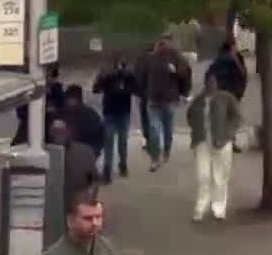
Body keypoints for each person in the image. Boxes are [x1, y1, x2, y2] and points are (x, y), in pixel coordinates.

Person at [186, 71, 243, 221]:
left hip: (222, 142)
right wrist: (196, 130)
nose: (210, 85)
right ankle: (200, 207)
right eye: (208, 82)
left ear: (217, 83)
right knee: (203, 175)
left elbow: (236, 118)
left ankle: (219, 207)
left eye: (213, 81)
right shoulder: (199, 99)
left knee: (220, 176)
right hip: (202, 142)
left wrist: (227, 134)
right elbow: (190, 115)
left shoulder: (226, 98)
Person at [134, 33, 191, 170]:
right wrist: (141, 93)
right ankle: (155, 159)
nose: (164, 45)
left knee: (168, 129)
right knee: (154, 130)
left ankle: (166, 150)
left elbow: (185, 74)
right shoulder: (151, 58)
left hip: (169, 100)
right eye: (163, 42)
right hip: (153, 100)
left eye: (167, 42)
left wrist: (176, 72)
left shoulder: (176, 56)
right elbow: (142, 77)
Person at [92, 56, 138, 183]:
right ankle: (115, 167)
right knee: (116, 142)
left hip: (114, 111)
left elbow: (96, 89)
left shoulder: (127, 76)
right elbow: (96, 88)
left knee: (114, 142)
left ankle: (116, 166)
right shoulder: (114, 76)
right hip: (116, 112)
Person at [47, 119, 97, 217]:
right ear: (50, 134)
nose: (59, 135)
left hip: (78, 202)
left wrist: (89, 199)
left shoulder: (85, 152)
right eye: (55, 132)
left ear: (68, 132)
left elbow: (95, 181)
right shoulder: (45, 155)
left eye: (62, 132)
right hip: (54, 206)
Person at [61, 85, 108, 177]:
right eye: (69, 99)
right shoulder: (62, 114)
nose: (71, 102)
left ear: (79, 99)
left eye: (73, 99)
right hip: (67, 157)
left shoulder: (90, 115)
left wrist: (94, 152)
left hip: (86, 154)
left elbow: (101, 136)